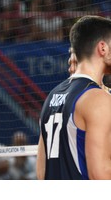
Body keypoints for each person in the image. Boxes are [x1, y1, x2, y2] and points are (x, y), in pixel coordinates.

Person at [37, 15, 111, 180]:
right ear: (103, 48)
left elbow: (41, 172)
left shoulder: (52, 96)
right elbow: (100, 175)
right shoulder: (97, 99)